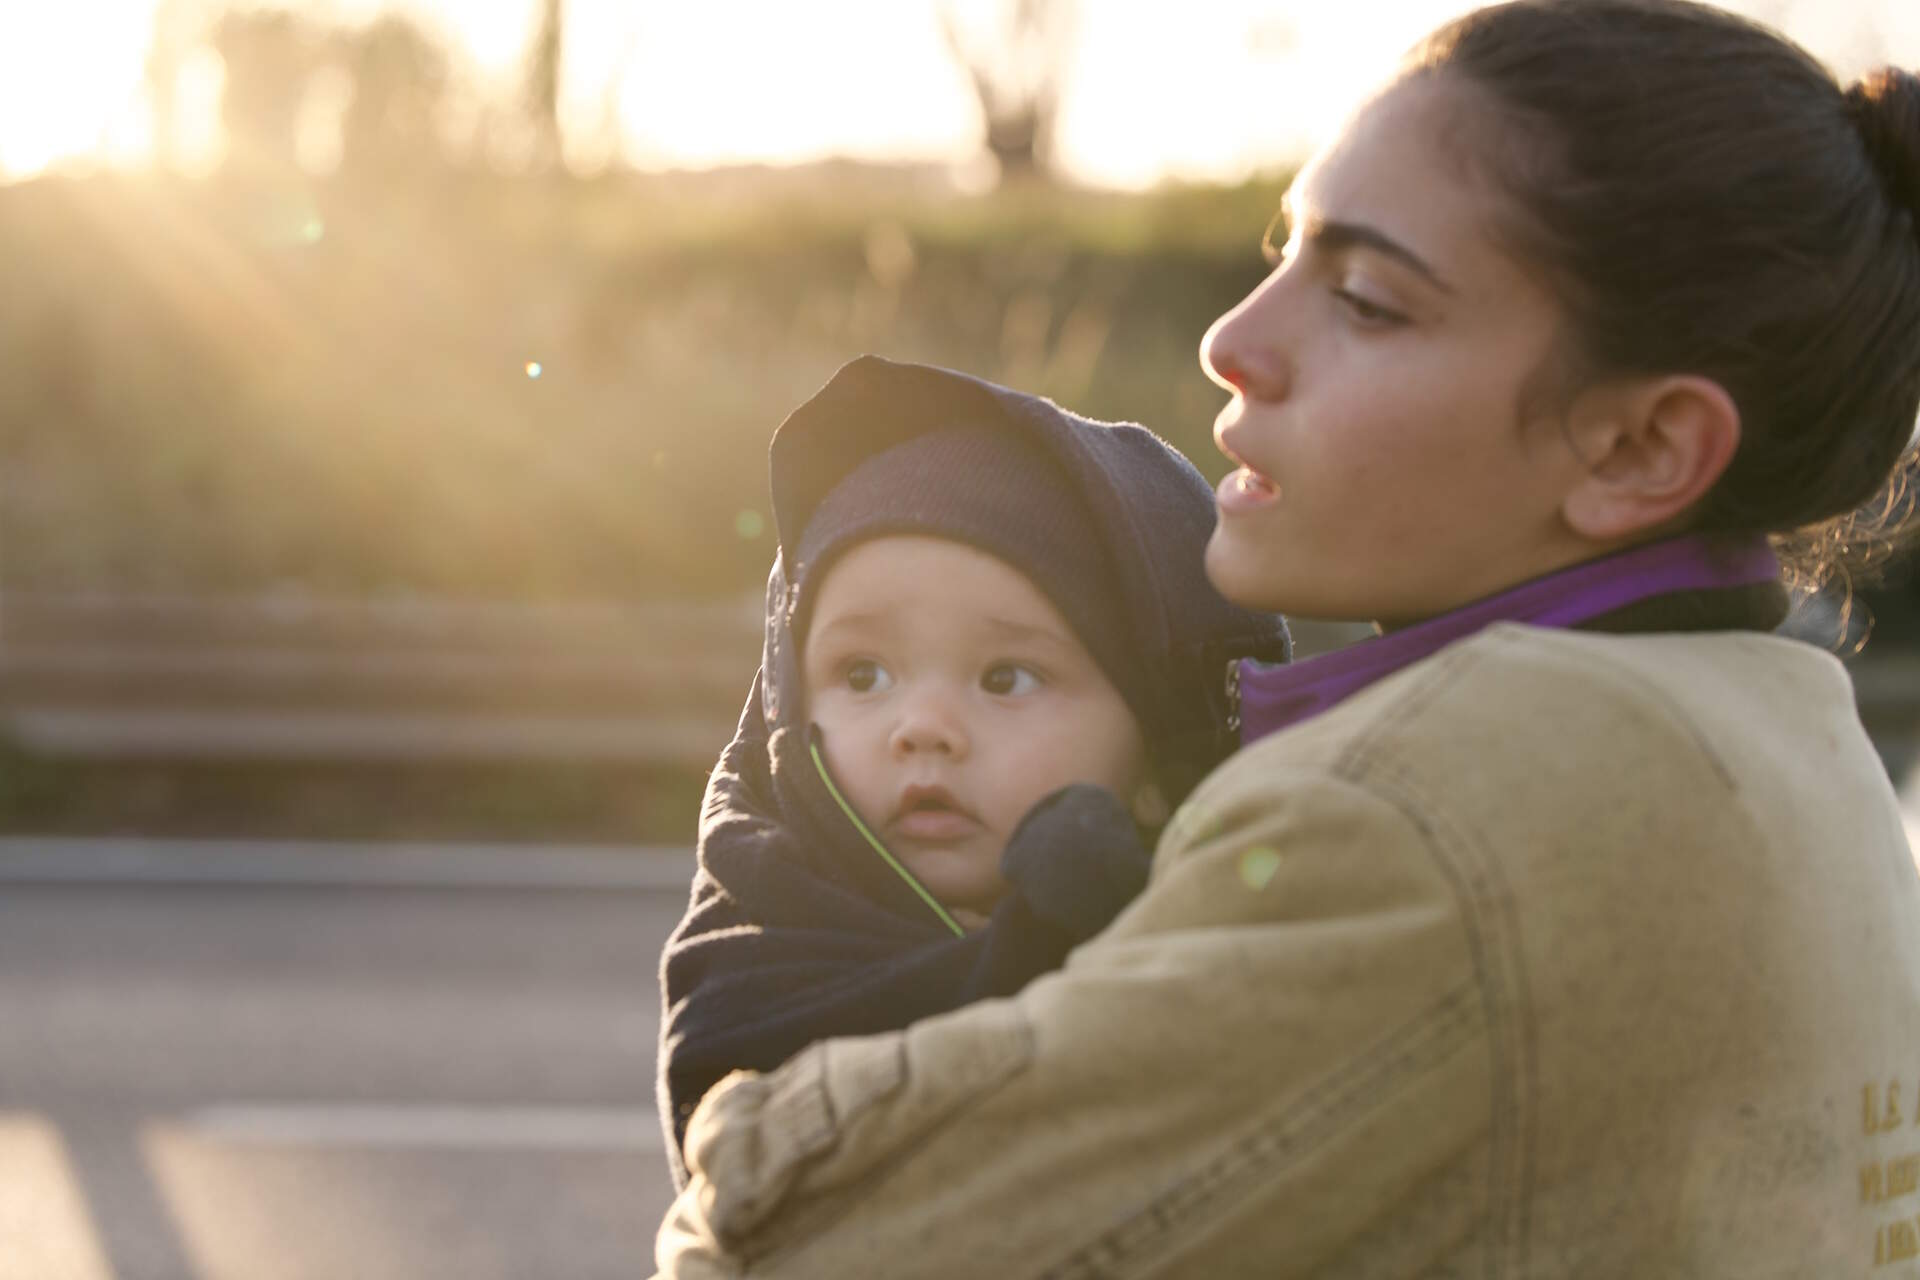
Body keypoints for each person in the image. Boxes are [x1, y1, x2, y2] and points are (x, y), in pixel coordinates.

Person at [655, 2, 1920, 1274]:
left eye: (1366, 299)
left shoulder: (1434, 808)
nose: (1233, 341)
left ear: (1642, 446)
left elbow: (782, 1241)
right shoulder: (1786, 723)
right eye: (1283, 252)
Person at [655, 356, 1290, 1186]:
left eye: (1005, 678)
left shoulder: (1247, 939)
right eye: (862, 675)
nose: (923, 729)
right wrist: (1048, 938)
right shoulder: (760, 951)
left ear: (1159, 743)